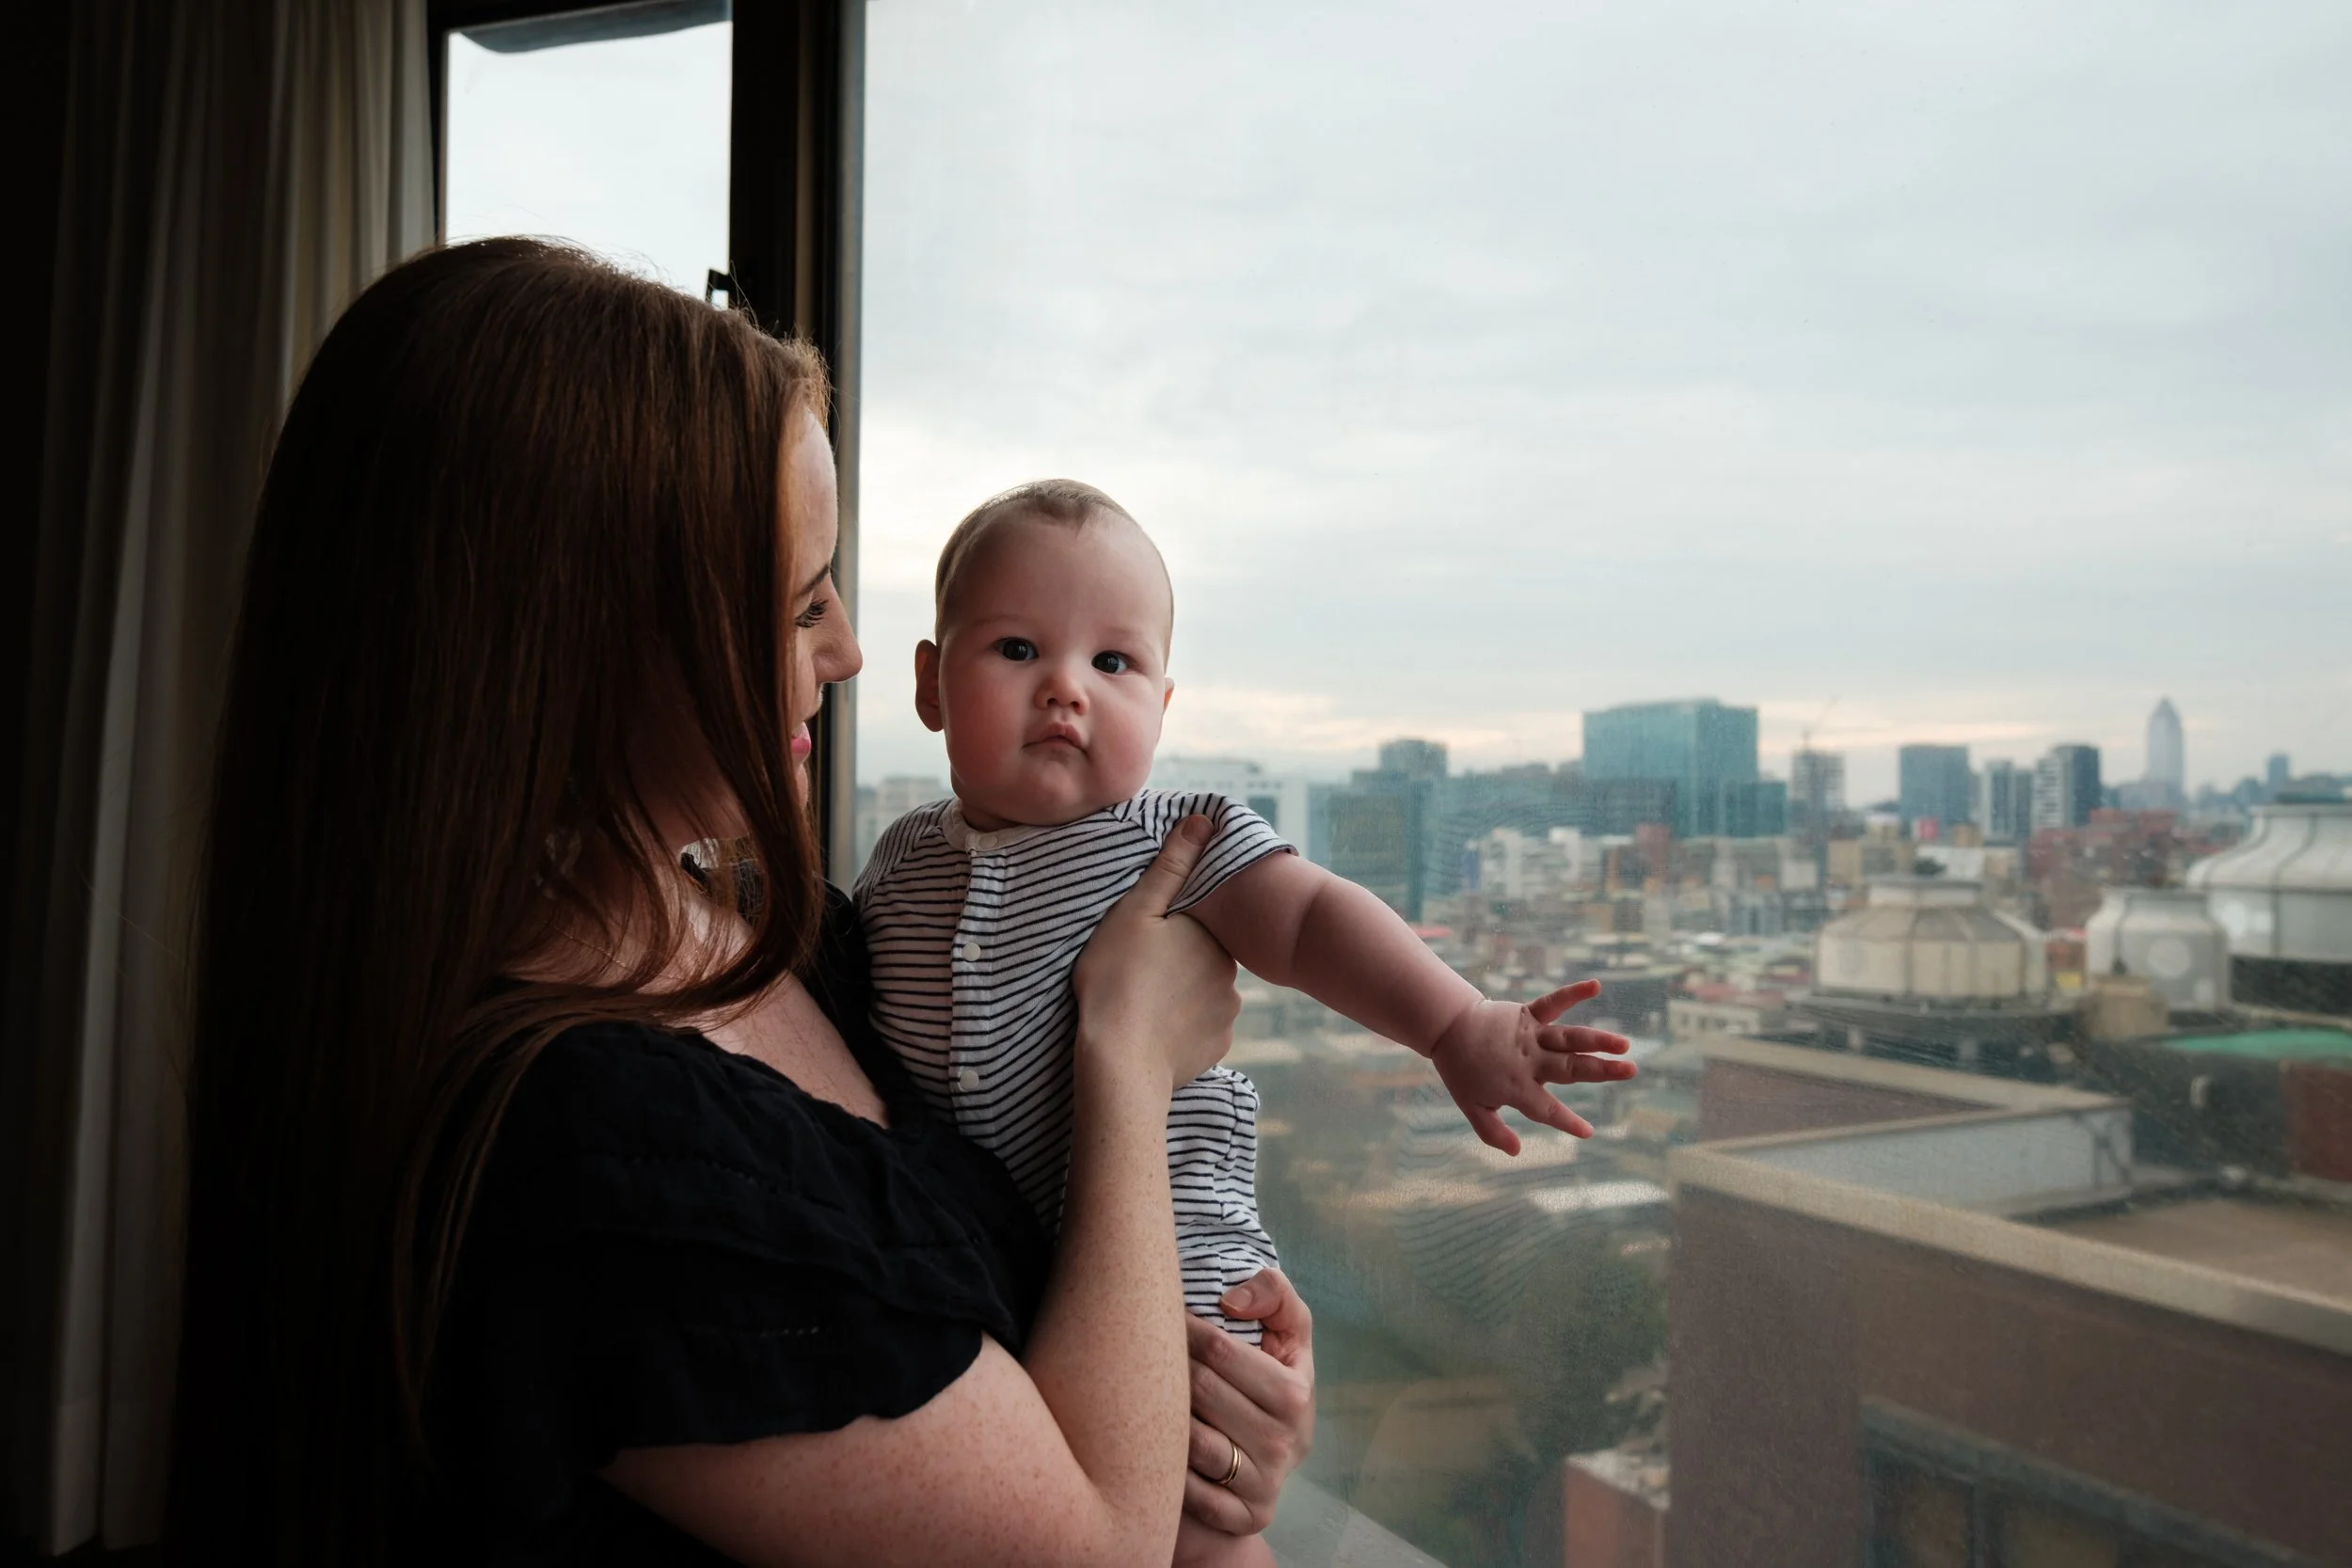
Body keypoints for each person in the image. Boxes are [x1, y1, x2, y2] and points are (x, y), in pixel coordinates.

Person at [167, 238, 1313, 1567]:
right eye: (799, 603)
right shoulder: (601, 1151)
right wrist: (1129, 1055)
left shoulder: (786, 936)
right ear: (580, 645)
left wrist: (1206, 1399)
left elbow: (1055, 1360)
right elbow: (1093, 1550)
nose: (849, 650)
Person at [855, 480, 1641, 1565]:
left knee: (1196, 1512)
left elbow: (1311, 915)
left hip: (1168, 1268)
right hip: (984, 1280)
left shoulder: (1171, 839)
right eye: (1018, 649)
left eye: (1113, 663)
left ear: (1164, 707)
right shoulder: (898, 860)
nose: (1066, 692)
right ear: (930, 683)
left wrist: (1455, 1021)